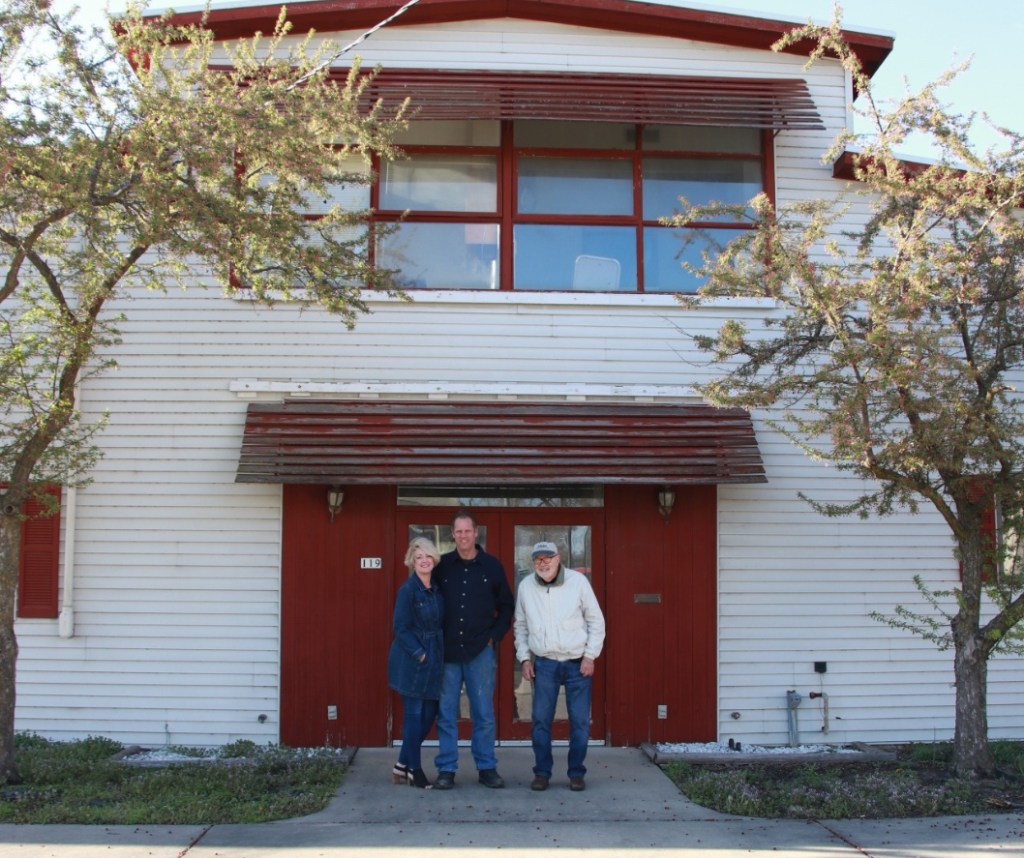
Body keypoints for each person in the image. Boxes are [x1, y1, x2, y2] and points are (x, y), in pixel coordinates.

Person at [432, 511, 515, 790]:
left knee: (483, 713)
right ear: (452, 534)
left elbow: (506, 606)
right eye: (459, 531)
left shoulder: (492, 566)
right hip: (448, 653)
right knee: (446, 713)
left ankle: (486, 767)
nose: (463, 536)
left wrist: (494, 637)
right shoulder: (441, 566)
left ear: (476, 533)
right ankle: (446, 769)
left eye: (468, 531)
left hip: (481, 650)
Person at [514, 540, 605, 792]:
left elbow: (596, 620)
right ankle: (542, 773)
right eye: (537, 559)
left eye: (547, 558)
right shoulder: (526, 587)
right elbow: (520, 626)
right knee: (541, 721)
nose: (542, 563)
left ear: (558, 558)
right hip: (545, 664)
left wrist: (590, 656)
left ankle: (576, 772)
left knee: (580, 723)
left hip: (577, 664)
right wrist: (524, 658)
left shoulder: (578, 582)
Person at [387, 537, 444, 789]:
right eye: (418, 556)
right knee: (414, 715)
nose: (423, 560)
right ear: (412, 560)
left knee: (430, 713)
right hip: (412, 660)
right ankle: (415, 770)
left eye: (427, 556)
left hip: (435, 658)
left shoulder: (437, 588)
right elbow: (400, 627)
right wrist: (419, 653)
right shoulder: (408, 590)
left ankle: (401, 762)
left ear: (434, 559)